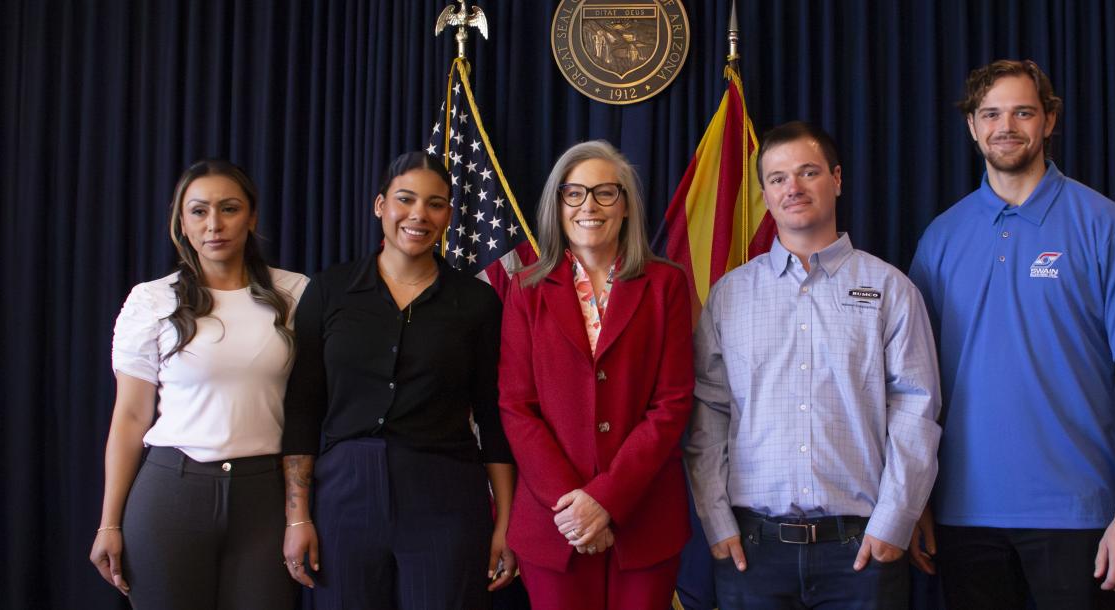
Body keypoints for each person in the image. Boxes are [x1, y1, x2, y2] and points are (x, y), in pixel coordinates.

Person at [909, 60, 1115, 609]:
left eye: (1022, 111)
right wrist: (915, 502)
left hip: (1078, 514)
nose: (1005, 125)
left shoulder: (1106, 226)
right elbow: (915, 388)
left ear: (1049, 121)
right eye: (991, 114)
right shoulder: (940, 238)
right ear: (972, 127)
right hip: (962, 513)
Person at [685, 121, 942, 609]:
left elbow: (916, 412)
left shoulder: (891, 289)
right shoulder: (730, 296)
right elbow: (708, 416)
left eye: (808, 172)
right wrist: (716, 523)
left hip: (862, 552)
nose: (794, 188)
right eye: (779, 178)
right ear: (764, 193)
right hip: (752, 551)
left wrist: (894, 523)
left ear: (837, 179)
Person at [278, 151, 516, 609]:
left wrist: (505, 523)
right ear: (379, 205)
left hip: (445, 494)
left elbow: (493, 415)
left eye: (435, 204)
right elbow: (304, 405)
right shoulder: (329, 292)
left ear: (448, 214)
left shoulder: (476, 302)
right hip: (344, 494)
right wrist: (296, 516)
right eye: (405, 200)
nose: (419, 215)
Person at [89, 159, 308, 609]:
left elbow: (308, 410)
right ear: (182, 223)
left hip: (265, 499)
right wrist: (109, 523)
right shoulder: (151, 300)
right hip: (171, 495)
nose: (214, 224)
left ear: (252, 217)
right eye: (199, 211)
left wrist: (297, 513)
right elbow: (130, 417)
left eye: (229, 208)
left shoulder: (297, 294)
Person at [498, 140, 694, 609]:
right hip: (553, 523)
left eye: (606, 192)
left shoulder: (666, 284)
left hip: (645, 520)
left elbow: (672, 404)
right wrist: (575, 507)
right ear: (558, 204)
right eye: (575, 193)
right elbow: (516, 407)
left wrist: (605, 499)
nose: (589, 205)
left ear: (625, 206)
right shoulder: (526, 290)